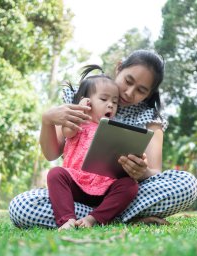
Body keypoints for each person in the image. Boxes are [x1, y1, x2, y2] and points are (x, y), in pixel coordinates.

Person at [9, 49, 197, 228]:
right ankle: (115, 217)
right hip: (76, 192)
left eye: (141, 90)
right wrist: (47, 120)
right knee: (21, 206)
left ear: (150, 94)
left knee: (186, 184)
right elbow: (51, 154)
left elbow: (155, 173)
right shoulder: (83, 97)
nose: (129, 92)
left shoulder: (151, 120)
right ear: (119, 67)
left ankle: (97, 216)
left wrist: (141, 172)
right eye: (128, 80)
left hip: (119, 194)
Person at [48, 65, 138, 231]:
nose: (110, 105)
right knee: (55, 174)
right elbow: (68, 132)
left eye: (115, 102)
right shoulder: (77, 123)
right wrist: (81, 110)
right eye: (104, 100)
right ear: (86, 101)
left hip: (105, 190)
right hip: (75, 185)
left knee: (130, 185)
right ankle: (67, 219)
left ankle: (93, 218)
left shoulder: (115, 129)